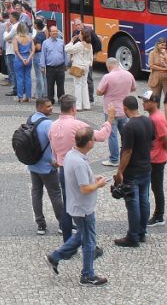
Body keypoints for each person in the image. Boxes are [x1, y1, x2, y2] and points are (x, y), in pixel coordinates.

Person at [45, 126, 110, 287]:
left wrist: (92, 177)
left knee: (82, 234)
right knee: (89, 241)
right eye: (93, 139)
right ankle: (87, 275)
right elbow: (84, 188)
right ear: (89, 143)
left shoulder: (70, 155)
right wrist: (98, 184)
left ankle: (55, 256)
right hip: (83, 209)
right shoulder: (80, 163)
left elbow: (78, 178)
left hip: (75, 205)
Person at [49, 95, 116, 243]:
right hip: (77, 168)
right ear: (73, 108)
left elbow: (52, 149)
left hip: (62, 169)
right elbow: (101, 136)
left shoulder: (53, 125)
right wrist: (110, 119)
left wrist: (57, 160)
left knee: (68, 205)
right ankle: (87, 241)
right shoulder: (78, 125)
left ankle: (68, 241)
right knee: (82, 206)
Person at [113, 95, 155, 248]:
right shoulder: (148, 121)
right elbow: (152, 141)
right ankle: (142, 232)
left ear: (125, 109)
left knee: (133, 203)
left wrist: (120, 172)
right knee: (144, 201)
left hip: (133, 172)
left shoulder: (129, 127)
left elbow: (127, 152)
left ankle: (133, 236)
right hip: (146, 168)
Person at [26, 98, 65, 237]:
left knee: (36, 193)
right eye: (48, 106)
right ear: (40, 107)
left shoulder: (31, 119)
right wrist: (57, 160)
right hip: (47, 166)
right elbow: (56, 143)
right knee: (55, 194)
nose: (51, 108)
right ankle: (62, 224)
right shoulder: (48, 123)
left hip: (33, 163)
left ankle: (40, 224)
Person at [96, 57, 137, 167]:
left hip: (111, 110)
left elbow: (99, 92)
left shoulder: (107, 77)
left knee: (112, 135)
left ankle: (114, 159)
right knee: (125, 135)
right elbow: (134, 88)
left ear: (109, 66)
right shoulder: (128, 74)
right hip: (124, 110)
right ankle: (128, 156)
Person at [142, 90, 167, 226]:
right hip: (154, 156)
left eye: (146, 101)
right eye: (143, 100)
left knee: (157, 187)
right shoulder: (154, 116)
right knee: (154, 187)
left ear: (154, 102)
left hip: (156, 159)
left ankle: (159, 215)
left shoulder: (157, 119)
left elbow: (166, 139)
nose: (143, 103)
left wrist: (165, 150)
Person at [65, 28, 94, 111]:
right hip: (86, 67)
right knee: (84, 85)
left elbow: (68, 49)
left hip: (78, 66)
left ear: (83, 35)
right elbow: (91, 57)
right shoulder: (90, 45)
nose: (79, 35)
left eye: (80, 34)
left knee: (78, 85)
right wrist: (89, 65)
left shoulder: (79, 44)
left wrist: (71, 41)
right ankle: (86, 105)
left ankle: (78, 106)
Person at [43, 24, 67, 103]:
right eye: (53, 31)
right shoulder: (45, 43)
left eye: (56, 31)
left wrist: (65, 64)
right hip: (50, 67)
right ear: (49, 32)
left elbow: (64, 53)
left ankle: (61, 99)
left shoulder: (61, 42)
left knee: (61, 85)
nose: (55, 33)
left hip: (60, 66)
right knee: (50, 85)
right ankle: (51, 99)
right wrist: (42, 66)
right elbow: (43, 55)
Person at [14, 23, 34, 103]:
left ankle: (20, 97)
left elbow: (16, 50)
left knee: (19, 78)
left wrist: (22, 59)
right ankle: (29, 97)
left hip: (19, 59)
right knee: (28, 78)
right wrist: (28, 58)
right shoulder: (30, 38)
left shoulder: (16, 38)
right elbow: (33, 50)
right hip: (28, 58)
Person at [147, 37, 167, 102]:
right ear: (157, 45)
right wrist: (163, 69)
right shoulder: (152, 53)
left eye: (165, 45)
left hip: (166, 79)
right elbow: (151, 66)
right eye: (162, 45)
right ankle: (156, 112)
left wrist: (165, 54)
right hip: (155, 79)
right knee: (155, 100)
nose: (163, 47)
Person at [3, 12, 21, 97]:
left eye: (10, 16)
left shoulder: (14, 27)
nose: (9, 19)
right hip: (13, 49)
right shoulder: (18, 25)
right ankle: (18, 88)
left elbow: (6, 37)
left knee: (13, 71)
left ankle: (15, 89)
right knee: (15, 71)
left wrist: (6, 30)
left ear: (13, 17)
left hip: (11, 51)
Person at [32, 19, 47, 100]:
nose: (33, 25)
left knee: (39, 76)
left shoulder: (38, 35)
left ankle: (39, 94)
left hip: (38, 55)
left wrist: (31, 48)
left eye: (34, 24)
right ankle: (45, 93)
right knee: (44, 76)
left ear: (36, 25)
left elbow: (38, 47)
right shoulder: (43, 34)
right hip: (43, 55)